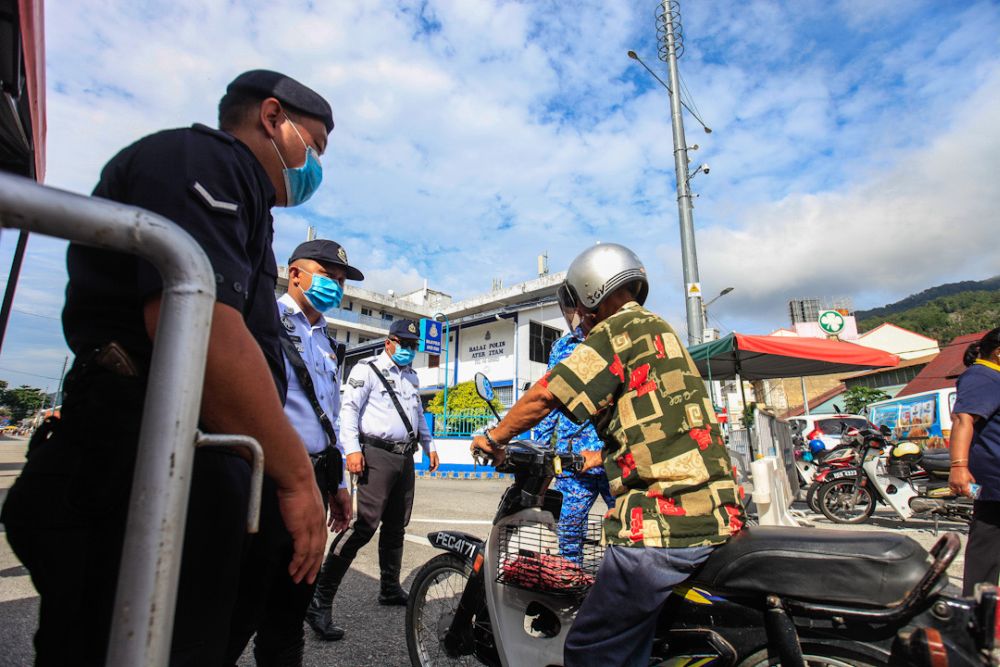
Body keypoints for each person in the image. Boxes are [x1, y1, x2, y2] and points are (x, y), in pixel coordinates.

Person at [1, 70, 333, 666]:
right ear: (273, 117)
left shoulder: (251, 205)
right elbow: (204, 336)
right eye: (314, 146)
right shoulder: (206, 158)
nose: (315, 168)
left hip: (185, 457)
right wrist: (295, 478)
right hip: (139, 457)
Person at [472, 243, 745, 667]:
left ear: (590, 290)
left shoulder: (616, 331)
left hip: (662, 521)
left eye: (578, 304)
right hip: (714, 510)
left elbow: (545, 395)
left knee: (590, 649)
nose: (578, 315)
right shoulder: (658, 329)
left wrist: (493, 437)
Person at [226, 239, 362, 666]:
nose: (336, 288)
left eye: (341, 282)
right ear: (296, 274)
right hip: (268, 477)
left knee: (292, 600)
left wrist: (338, 484)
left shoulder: (326, 340)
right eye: (327, 278)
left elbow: (332, 418)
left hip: (316, 478)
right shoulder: (264, 318)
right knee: (242, 603)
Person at [307, 319, 441, 640]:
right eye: (404, 344)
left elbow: (418, 415)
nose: (409, 351)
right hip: (375, 454)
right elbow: (349, 411)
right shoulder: (366, 370)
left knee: (397, 525)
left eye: (413, 346)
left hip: (404, 457)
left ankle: (389, 587)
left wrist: (429, 445)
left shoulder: (411, 376)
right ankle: (320, 600)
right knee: (364, 525)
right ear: (390, 341)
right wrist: (352, 450)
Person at [533, 331, 614, 564]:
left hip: (615, 456)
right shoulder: (563, 346)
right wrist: (541, 458)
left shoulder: (616, 335)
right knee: (568, 534)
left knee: (629, 537)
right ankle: (571, 588)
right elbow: (549, 402)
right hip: (573, 461)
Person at [949, 327, 1000, 596]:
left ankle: (979, 607)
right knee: (986, 543)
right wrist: (958, 466)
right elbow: (962, 419)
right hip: (994, 478)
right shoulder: (982, 376)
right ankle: (977, 610)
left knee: (988, 541)